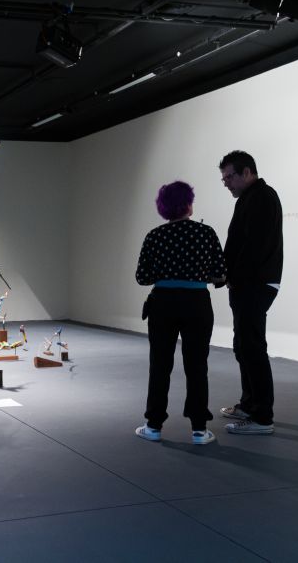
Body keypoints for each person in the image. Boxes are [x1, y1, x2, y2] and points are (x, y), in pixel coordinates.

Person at [134, 181, 226, 445]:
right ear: (188, 204)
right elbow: (220, 274)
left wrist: (165, 273)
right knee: (197, 366)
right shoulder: (205, 233)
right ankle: (199, 429)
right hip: (197, 303)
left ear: (163, 207)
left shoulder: (155, 236)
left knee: (160, 365)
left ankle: (153, 425)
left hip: (163, 303)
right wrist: (198, 274)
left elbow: (142, 277)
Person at [218, 151, 283, 435]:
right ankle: (249, 404)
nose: (226, 183)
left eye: (229, 177)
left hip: (255, 283)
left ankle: (262, 417)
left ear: (247, 172)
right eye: (223, 179)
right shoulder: (249, 198)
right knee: (243, 345)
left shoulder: (263, 197)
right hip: (247, 283)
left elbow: (255, 247)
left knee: (252, 347)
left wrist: (231, 275)